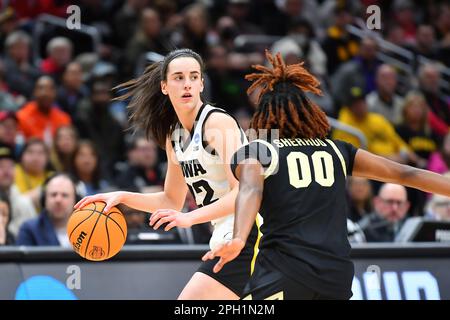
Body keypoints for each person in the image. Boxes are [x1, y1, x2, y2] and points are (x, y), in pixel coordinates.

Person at [202, 51, 450, 300]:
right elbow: (406, 173)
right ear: (308, 111)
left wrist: (238, 237)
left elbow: (250, 190)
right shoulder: (338, 150)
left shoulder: (258, 151)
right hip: (336, 278)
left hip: (284, 271)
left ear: (264, 116)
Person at [74, 48, 259, 300]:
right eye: (179, 77)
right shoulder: (175, 136)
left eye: (194, 77)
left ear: (202, 84)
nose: (187, 85)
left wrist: (189, 218)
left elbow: (243, 191)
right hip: (225, 232)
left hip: (247, 230)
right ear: (164, 86)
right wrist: (121, 196)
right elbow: (171, 200)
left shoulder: (217, 124)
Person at [16, 173, 79, 247]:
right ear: (44, 199)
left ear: (76, 200)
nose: (58, 200)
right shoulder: (29, 229)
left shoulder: (88, 229)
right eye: (53, 194)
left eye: (64, 195)